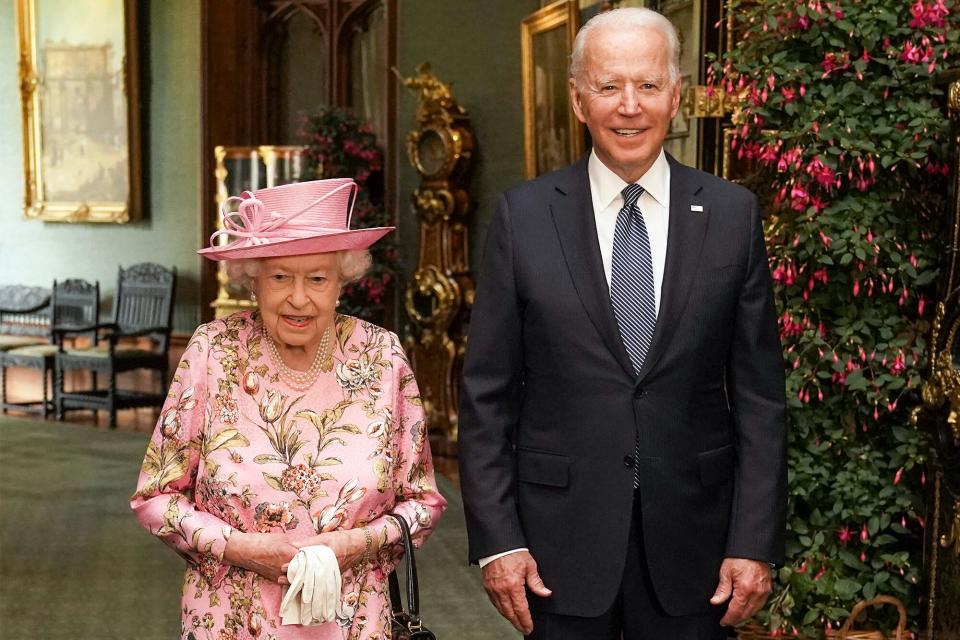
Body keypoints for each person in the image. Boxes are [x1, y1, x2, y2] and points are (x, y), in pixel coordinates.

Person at [459, 7, 787, 639]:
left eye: (648, 85)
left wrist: (754, 541)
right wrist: (499, 542)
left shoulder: (731, 215)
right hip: (554, 552)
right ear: (579, 100)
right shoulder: (523, 217)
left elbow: (759, 398)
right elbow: (487, 396)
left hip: (699, 553)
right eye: (609, 87)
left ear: (677, 95)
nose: (629, 106)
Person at [131, 178, 447, 639]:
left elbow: (423, 503)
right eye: (280, 277)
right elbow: (155, 497)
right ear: (252, 280)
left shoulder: (382, 357)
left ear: (342, 281)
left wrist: (358, 543)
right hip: (233, 621)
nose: (299, 298)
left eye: (317, 278)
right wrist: (238, 547)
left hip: (355, 620)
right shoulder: (213, 351)